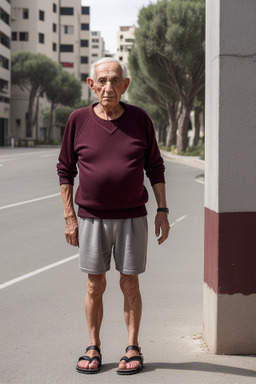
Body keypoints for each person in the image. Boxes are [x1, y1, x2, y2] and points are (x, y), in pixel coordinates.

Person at [57, 57, 170, 375]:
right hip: (91, 218)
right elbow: (65, 169)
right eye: (102, 80)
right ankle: (93, 345)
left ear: (126, 85)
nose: (109, 86)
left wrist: (162, 210)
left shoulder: (140, 119)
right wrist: (70, 217)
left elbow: (155, 167)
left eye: (115, 80)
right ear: (91, 85)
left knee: (130, 283)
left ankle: (132, 346)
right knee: (95, 284)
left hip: (133, 216)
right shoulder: (78, 120)